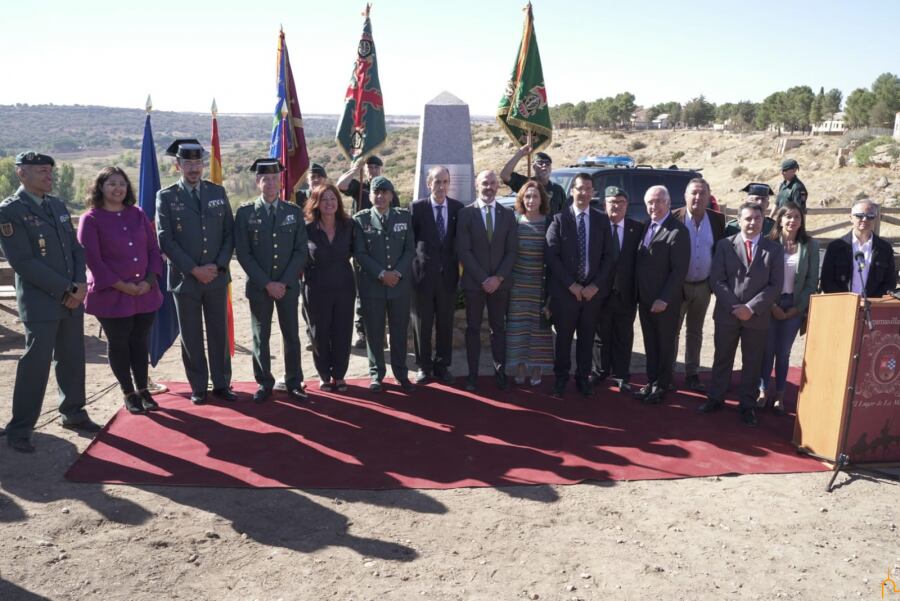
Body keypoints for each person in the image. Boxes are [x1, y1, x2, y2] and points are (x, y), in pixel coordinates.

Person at [0, 152, 97, 453]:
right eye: (41, 171)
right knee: (36, 364)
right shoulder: (10, 211)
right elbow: (23, 262)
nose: (49, 176)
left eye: (50, 171)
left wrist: (80, 284)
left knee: (71, 357)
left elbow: (75, 248)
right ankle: (20, 428)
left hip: (72, 297)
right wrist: (66, 287)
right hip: (41, 301)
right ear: (21, 174)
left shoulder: (56, 204)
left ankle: (73, 413)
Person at [77, 167, 163, 415]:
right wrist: (122, 285)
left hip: (145, 292)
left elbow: (152, 250)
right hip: (111, 295)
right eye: (112, 183)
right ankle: (129, 392)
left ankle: (144, 390)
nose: (118, 188)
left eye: (122, 184)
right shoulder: (90, 219)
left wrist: (149, 280)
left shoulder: (137, 214)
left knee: (139, 341)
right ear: (100, 188)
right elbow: (93, 260)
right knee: (119, 342)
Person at [155, 139, 235, 405]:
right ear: (178, 165)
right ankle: (198, 386)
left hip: (216, 277)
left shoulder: (217, 192)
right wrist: (194, 269)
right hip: (184, 280)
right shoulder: (166, 197)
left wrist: (218, 266)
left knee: (218, 333)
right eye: (187, 163)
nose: (193, 168)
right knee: (190, 335)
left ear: (203, 165)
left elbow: (229, 233)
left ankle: (222, 383)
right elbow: (165, 239)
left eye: (197, 163)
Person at [699, 202, 784, 427]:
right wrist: (736, 307)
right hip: (728, 314)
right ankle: (715, 398)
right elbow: (717, 279)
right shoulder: (725, 245)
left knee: (752, 362)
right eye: (747, 218)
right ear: (738, 221)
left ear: (763, 220)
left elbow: (775, 285)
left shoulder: (774, 249)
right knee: (722, 357)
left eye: (757, 218)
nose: (752, 223)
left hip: (757, 317)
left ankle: (747, 405)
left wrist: (751, 308)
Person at [234, 159, 308, 403]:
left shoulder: (293, 212)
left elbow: (300, 251)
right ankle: (264, 381)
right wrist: (267, 283)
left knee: (291, 335)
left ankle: (294, 381)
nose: (270, 183)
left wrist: (283, 283)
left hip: (287, 287)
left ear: (280, 182)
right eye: (265, 179)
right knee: (260, 335)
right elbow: (243, 254)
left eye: (275, 178)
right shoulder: (245, 213)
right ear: (258, 182)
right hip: (259, 287)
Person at [546, 173, 614, 397]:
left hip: (592, 294)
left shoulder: (602, 220)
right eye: (579, 188)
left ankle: (583, 378)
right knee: (564, 340)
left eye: (588, 189)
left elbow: (609, 256)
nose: (583, 193)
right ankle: (560, 379)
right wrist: (571, 285)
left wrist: (595, 285)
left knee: (586, 339)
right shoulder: (558, 219)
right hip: (566, 294)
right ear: (572, 191)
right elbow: (552, 257)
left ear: (593, 192)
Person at [456, 170, 518, 392]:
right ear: (476, 185)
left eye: (493, 183)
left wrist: (498, 278)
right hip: (475, 284)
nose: (489, 186)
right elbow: (464, 250)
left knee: (498, 329)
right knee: (473, 329)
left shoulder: (508, 214)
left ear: (497, 186)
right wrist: (484, 279)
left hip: (500, 284)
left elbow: (512, 251)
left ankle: (500, 372)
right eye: (485, 183)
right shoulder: (465, 214)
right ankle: (472, 375)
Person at [352, 176, 415, 392]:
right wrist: (381, 274)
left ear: (391, 195)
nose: (380, 196)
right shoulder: (361, 220)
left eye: (384, 192)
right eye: (375, 193)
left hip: (399, 286)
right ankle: (376, 374)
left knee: (399, 332)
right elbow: (359, 253)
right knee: (375, 332)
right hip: (373, 287)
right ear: (370, 196)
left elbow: (409, 249)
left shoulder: (404, 217)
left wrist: (396, 272)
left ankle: (401, 373)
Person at [758, 201, 819, 414]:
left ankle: (781, 394)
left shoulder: (810, 245)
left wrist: (798, 308)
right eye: (788, 216)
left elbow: (812, 281)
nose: (792, 221)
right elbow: (761, 278)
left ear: (802, 221)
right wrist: (772, 305)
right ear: (780, 219)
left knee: (783, 352)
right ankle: (763, 390)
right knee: (767, 351)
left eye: (797, 217)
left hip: (794, 305)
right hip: (771, 305)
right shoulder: (768, 243)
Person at [634, 185, 690, 405]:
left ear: (668, 203)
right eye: (650, 202)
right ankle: (651, 380)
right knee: (650, 343)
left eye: (658, 201)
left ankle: (662, 384)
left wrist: (664, 298)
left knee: (665, 344)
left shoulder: (677, 231)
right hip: (645, 299)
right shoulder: (646, 226)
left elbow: (679, 271)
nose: (653, 206)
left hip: (664, 301)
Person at [670, 178, 726, 392]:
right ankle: (669, 372)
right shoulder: (675, 218)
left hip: (703, 286)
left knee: (695, 332)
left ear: (708, 196)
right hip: (678, 286)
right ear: (685, 196)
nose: (697, 197)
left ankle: (692, 373)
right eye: (693, 193)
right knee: (672, 331)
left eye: (702, 193)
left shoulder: (717, 220)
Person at [337, 155, 398, 349]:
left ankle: (381, 334)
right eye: (369, 167)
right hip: (361, 247)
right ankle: (363, 332)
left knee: (383, 291)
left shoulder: (389, 191)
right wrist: (356, 169)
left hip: (382, 247)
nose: (372, 170)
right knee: (362, 292)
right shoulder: (361, 186)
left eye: (375, 167)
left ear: (381, 169)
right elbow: (341, 185)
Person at [410, 166, 463, 384]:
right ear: (428, 184)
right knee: (422, 323)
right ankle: (424, 366)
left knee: (445, 322)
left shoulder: (458, 209)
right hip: (423, 277)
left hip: (448, 278)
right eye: (437, 182)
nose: (441, 186)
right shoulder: (416, 208)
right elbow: (410, 243)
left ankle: (442, 365)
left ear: (449, 184)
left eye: (445, 182)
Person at [304, 183, 356, 392]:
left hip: (344, 286)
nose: (329, 203)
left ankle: (340, 375)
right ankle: (325, 374)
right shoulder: (307, 229)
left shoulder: (349, 225)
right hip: (316, 288)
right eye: (324, 199)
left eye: (332, 198)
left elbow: (356, 251)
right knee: (319, 333)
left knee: (342, 331)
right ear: (316, 202)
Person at [592, 186, 641, 393]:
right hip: (600, 292)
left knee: (623, 335)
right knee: (600, 335)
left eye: (621, 202)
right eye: (612, 202)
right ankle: (600, 372)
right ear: (604, 205)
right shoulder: (596, 227)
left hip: (625, 293)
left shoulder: (637, 228)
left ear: (627, 205)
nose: (616, 206)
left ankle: (621, 374)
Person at [505, 180, 554, 387]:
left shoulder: (550, 222)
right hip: (518, 285)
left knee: (539, 329)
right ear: (521, 199)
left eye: (535, 196)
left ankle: (536, 367)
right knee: (518, 328)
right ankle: (521, 366)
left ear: (542, 199)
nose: (531, 200)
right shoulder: (515, 221)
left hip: (540, 285)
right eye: (527, 196)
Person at [820, 200, 897, 297]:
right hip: (842, 305)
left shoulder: (885, 249)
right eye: (859, 215)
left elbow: (890, 283)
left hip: (872, 307)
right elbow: (827, 282)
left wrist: (871, 302)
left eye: (870, 216)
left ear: (876, 219)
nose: (865, 219)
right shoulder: (835, 247)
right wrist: (848, 301)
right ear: (851, 218)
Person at [500, 146, 567, 215]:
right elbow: (504, 175)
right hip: (529, 225)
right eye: (540, 163)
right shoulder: (526, 184)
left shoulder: (558, 190)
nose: (544, 166)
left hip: (550, 225)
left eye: (547, 163)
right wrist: (520, 153)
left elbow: (564, 214)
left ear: (550, 168)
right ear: (534, 167)